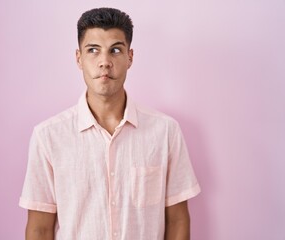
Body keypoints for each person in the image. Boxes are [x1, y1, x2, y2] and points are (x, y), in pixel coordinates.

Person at [19, 7, 201, 240]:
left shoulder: (165, 131)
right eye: (93, 50)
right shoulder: (48, 136)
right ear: (79, 58)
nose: (105, 62)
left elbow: (177, 220)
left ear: (130, 57)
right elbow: (39, 229)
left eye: (115, 50)